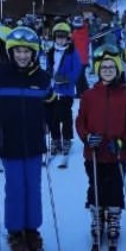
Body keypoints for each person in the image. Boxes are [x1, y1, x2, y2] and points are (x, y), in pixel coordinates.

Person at [0, 26, 54, 251]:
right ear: (10, 52)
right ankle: (15, 232)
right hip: (9, 143)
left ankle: (32, 230)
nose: (22, 56)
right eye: (18, 51)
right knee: (16, 188)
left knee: (33, 188)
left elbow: (52, 103)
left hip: (34, 143)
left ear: (34, 53)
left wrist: (48, 122)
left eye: (27, 52)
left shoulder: (42, 78)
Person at [75, 45, 126, 251]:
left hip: (117, 153)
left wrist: (123, 142)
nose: (108, 70)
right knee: (96, 185)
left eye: (111, 67)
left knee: (115, 186)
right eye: (104, 67)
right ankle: (97, 217)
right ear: (98, 70)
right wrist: (87, 137)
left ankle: (113, 218)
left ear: (117, 69)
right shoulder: (89, 95)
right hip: (94, 153)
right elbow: (80, 122)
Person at [43, 20, 87, 160]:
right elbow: (48, 67)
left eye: (63, 37)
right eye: (58, 37)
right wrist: (48, 75)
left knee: (66, 116)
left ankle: (67, 139)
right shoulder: (51, 52)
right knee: (53, 117)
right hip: (52, 91)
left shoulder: (72, 52)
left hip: (66, 91)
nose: (60, 40)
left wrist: (66, 79)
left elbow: (77, 69)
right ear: (54, 37)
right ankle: (55, 139)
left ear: (68, 38)